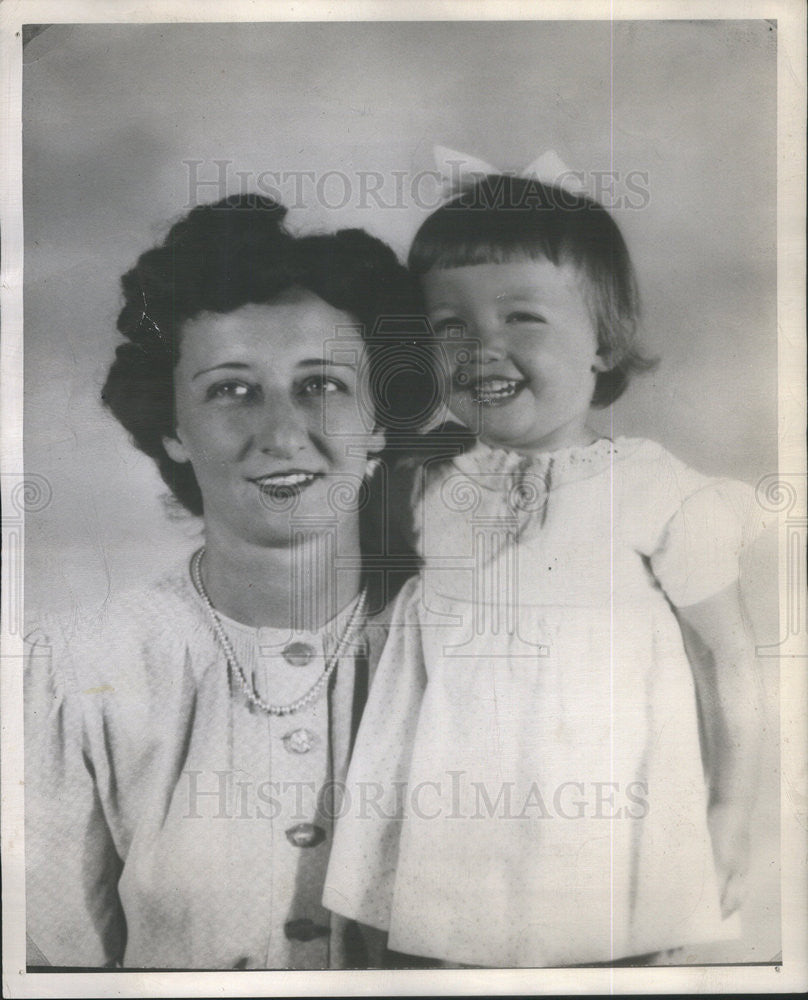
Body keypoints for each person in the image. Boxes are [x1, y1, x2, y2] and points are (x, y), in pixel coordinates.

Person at [323, 174, 768, 967]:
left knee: (602, 964)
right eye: (449, 325)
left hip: (600, 833)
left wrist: (731, 807)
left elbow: (727, 657)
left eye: (520, 317)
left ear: (602, 340)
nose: (481, 347)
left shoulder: (656, 490)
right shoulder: (422, 484)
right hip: (451, 833)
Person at [24, 193, 435, 970]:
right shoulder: (80, 672)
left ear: (380, 416)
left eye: (322, 384)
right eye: (232, 390)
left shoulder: (460, 649)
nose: (282, 434)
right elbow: (47, 971)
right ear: (172, 426)